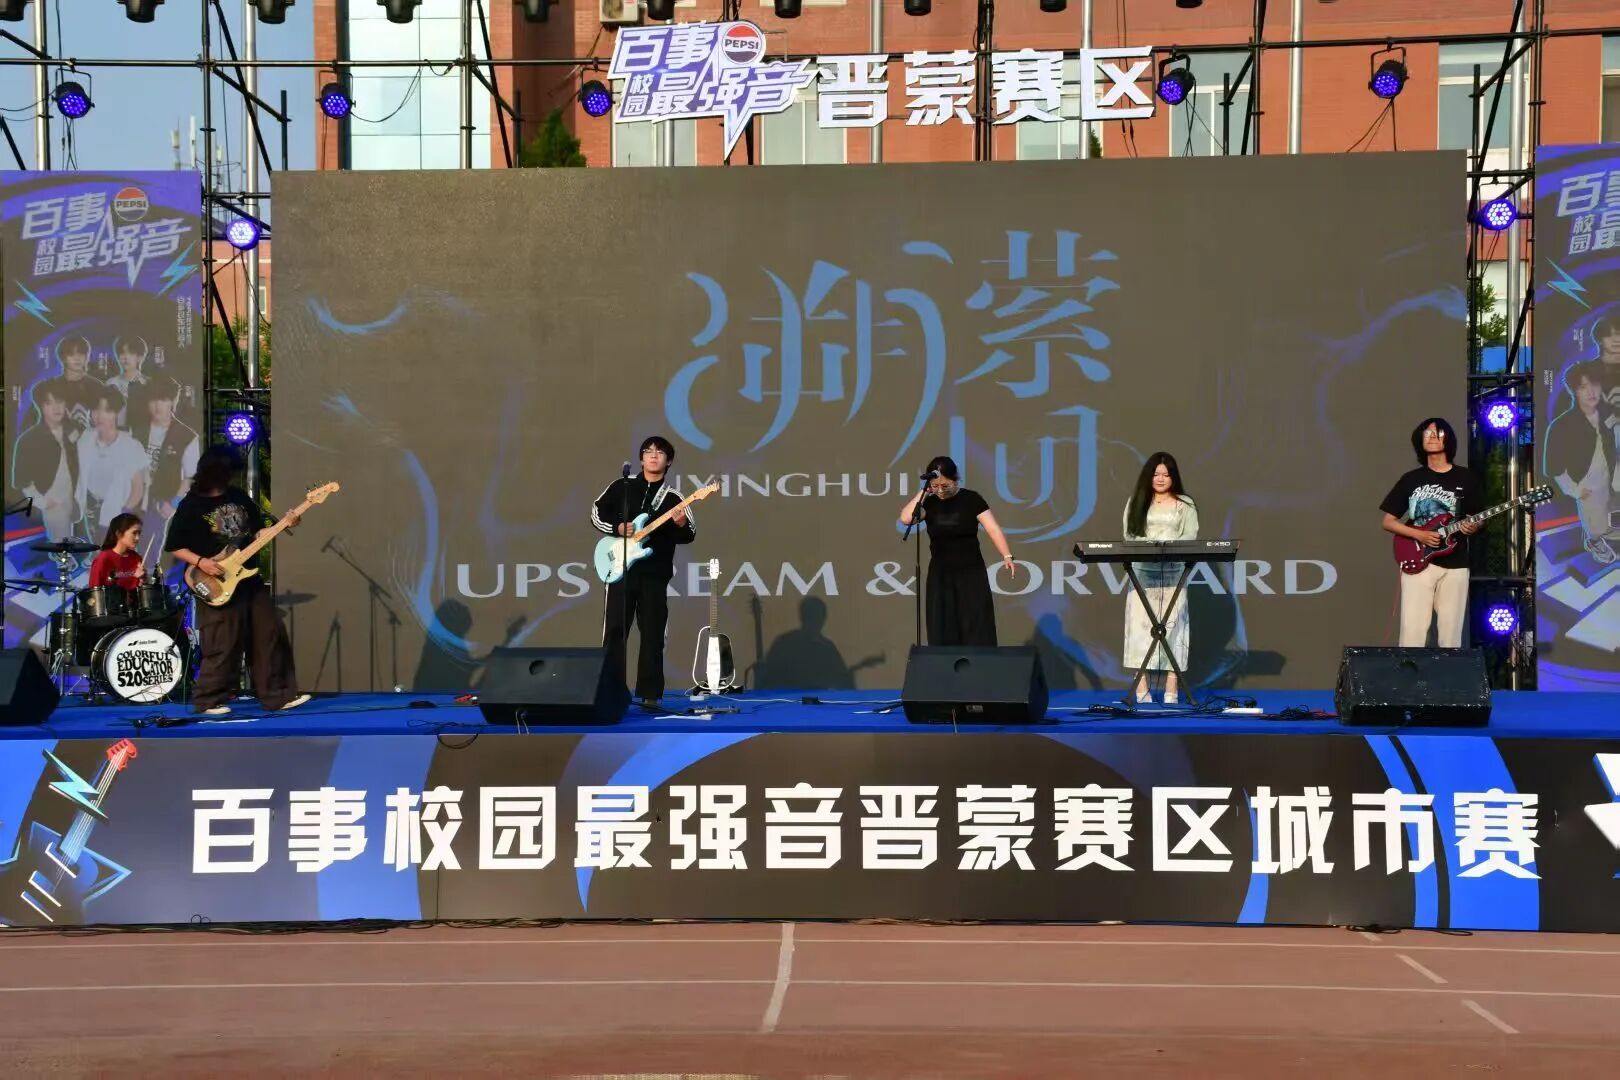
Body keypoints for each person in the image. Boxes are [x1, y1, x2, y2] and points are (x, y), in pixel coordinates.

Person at [165, 446, 310, 716]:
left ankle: (277, 696)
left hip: (247, 577)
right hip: (214, 579)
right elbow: (174, 546)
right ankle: (208, 700)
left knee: (269, 632)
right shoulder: (192, 504)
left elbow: (257, 533)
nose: (231, 477)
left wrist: (285, 524)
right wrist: (201, 562)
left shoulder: (239, 497)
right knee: (223, 640)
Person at [590, 435, 696, 706]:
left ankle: (650, 695)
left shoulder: (673, 498)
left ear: (668, 461)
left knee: (653, 634)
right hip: (620, 571)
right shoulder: (621, 486)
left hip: (654, 575)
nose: (653, 456)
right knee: (614, 633)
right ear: (640, 459)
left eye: (660, 452)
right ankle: (610, 692)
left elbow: (689, 535)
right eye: (648, 451)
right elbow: (596, 513)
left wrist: (680, 524)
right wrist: (617, 528)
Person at [1379, 418, 1483, 648]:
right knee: (1412, 631)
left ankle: (1449, 672)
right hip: (1418, 559)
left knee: (1451, 635)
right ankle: (1408, 671)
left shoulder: (1466, 478)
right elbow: (1388, 521)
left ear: (1449, 439)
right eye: (1427, 433)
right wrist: (1419, 535)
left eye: (1438, 433)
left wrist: (1473, 526)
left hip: (1456, 562)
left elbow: (1477, 517)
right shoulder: (1411, 479)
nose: (1432, 437)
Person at [897, 455, 1016, 648]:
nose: (940, 490)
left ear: (956, 479)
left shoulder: (971, 499)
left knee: (974, 619)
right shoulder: (929, 503)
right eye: (935, 486)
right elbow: (905, 519)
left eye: (945, 485)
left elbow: (993, 528)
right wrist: (924, 492)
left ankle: (980, 661)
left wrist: (1007, 555)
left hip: (970, 570)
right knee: (943, 621)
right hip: (941, 573)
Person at [1121, 452, 1199, 704]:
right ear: (1149, 476)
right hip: (1142, 574)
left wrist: (1168, 546)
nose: (1161, 479)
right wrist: (1150, 547)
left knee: (1175, 629)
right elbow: (1129, 536)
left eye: (1166, 474)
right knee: (1140, 630)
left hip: (1174, 574)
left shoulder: (1185, 504)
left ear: (1173, 477)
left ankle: (1171, 689)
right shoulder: (1136, 501)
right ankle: (1141, 690)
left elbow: (1190, 536)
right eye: (1156, 474)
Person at [1545, 361, 1619, 564]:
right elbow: (1554, 467)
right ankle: (1594, 541)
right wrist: (1575, 490)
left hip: (1612, 475)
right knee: (1596, 525)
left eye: (1594, 384)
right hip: (1587, 483)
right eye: (1583, 387)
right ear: (1574, 391)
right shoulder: (1561, 426)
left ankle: (1606, 533)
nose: (1591, 392)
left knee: (1611, 515)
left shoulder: (1608, 413)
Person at [9, 380, 81, 540]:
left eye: (60, 401)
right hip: (50, 500)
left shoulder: (74, 430)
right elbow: (21, 481)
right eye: (49, 403)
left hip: (73, 498)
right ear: (40, 407)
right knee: (59, 543)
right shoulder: (28, 440)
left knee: (71, 537)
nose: (56, 408)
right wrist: (43, 502)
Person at [74, 386, 148, 536]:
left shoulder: (131, 446)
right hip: (86, 512)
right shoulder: (85, 439)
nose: (100, 416)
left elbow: (138, 489)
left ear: (116, 413)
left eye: (107, 410)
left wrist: (124, 515)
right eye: (96, 410)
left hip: (116, 513)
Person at [89, 513, 145, 592]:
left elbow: (141, 592)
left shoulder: (136, 558)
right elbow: (94, 592)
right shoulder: (104, 558)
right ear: (119, 534)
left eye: (139, 533)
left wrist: (143, 580)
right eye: (134, 533)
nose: (137, 538)